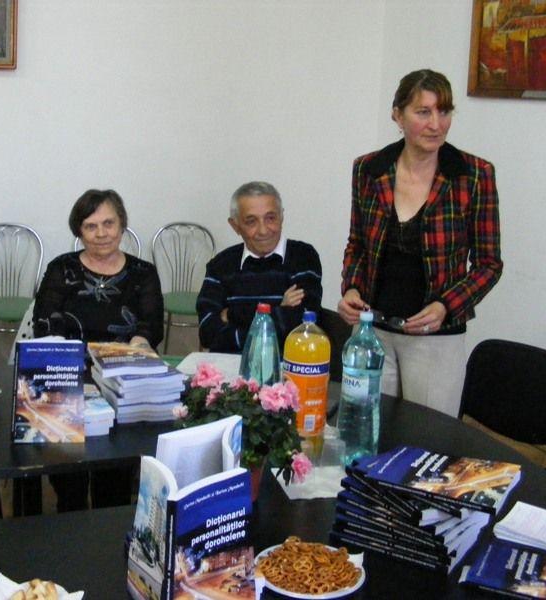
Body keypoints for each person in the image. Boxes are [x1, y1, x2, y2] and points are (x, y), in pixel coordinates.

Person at [337, 69, 503, 418]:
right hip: (372, 331)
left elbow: (489, 265)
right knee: (366, 431)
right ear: (398, 116)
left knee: (427, 440)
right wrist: (351, 287)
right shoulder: (369, 169)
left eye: (444, 111)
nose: (436, 124)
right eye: (423, 112)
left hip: (436, 339)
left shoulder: (473, 175)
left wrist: (446, 305)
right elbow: (357, 243)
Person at [32, 189, 163, 512]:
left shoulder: (143, 273)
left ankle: (109, 523)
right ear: (79, 231)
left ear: (122, 225)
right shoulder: (61, 269)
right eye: (91, 226)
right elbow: (45, 325)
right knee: (71, 486)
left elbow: (150, 327)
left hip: (121, 380)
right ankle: (71, 521)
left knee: (114, 486)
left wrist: (135, 349)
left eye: (109, 223)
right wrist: (74, 374)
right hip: (68, 378)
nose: (101, 233)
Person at [196, 181, 322, 353]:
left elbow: (300, 326)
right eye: (251, 222)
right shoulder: (220, 265)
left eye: (271, 218)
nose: (263, 230)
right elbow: (207, 333)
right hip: (230, 366)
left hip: (285, 365)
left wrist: (231, 314)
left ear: (282, 217)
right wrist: (278, 310)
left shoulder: (303, 257)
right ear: (235, 226)